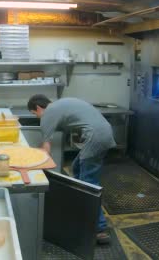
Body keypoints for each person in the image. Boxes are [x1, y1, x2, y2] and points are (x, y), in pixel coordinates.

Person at [27, 95, 116, 244]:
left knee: (88, 184)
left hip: (95, 138)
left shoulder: (48, 114)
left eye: (34, 113)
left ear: (38, 108)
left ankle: (99, 229)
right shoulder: (61, 104)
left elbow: (46, 149)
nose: (36, 116)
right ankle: (80, 208)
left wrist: (35, 166)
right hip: (105, 133)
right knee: (76, 167)